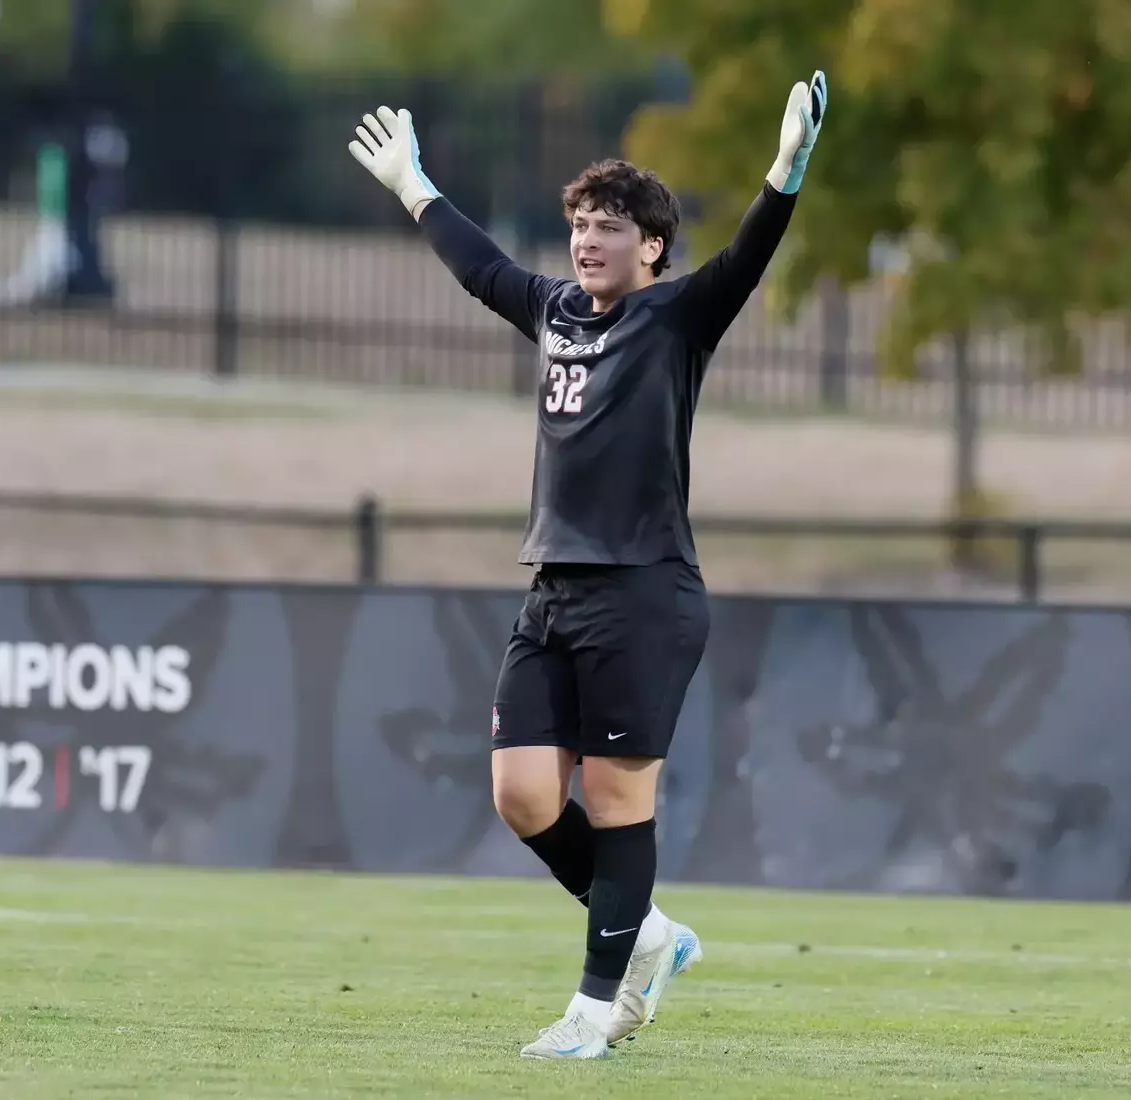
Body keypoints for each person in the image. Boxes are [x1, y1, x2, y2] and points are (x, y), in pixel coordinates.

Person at [348, 69, 828, 1060]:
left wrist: (784, 170)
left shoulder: (678, 317)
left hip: (644, 592)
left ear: (651, 245)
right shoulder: (558, 309)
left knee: (616, 805)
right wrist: (414, 188)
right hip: (553, 590)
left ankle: (595, 1007)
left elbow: (748, 256)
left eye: (610, 226)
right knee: (523, 794)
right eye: (580, 222)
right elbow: (483, 269)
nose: (588, 239)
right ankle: (650, 930)